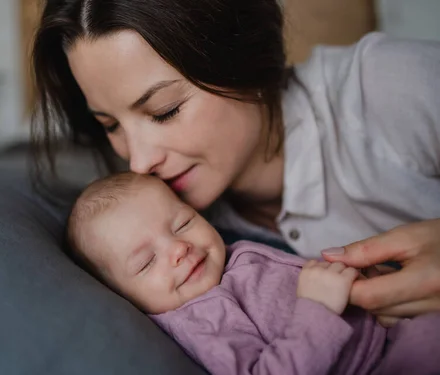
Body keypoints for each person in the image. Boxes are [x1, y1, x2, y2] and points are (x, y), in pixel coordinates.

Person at [31, 0, 440, 322]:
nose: (139, 162)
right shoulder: (172, 237)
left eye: (165, 110)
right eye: (109, 124)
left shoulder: (387, 85)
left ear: (241, 56)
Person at [66, 172, 440, 375]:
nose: (179, 248)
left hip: (390, 333)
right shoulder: (201, 320)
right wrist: (318, 311)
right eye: (146, 262)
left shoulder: (228, 257)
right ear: (121, 297)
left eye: (183, 223)